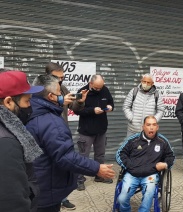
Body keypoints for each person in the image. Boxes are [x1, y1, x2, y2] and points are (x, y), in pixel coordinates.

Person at [25, 75, 115, 212]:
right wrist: (97, 168)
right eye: (59, 92)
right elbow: (66, 157)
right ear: (50, 96)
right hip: (46, 189)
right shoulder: (50, 122)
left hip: (36, 183)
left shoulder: (29, 110)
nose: (62, 94)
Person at [45, 62, 88, 210]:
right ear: (48, 76)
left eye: (62, 77)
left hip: (62, 132)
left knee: (63, 167)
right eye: (57, 78)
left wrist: (80, 102)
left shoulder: (62, 88)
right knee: (49, 168)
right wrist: (59, 102)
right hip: (46, 133)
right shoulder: (40, 89)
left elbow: (73, 108)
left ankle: (63, 198)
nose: (61, 80)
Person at [0, 70, 44, 212]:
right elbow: (12, 202)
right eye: (27, 101)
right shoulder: (6, 142)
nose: (30, 106)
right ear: (8, 102)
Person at [115, 115, 175, 212]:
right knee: (122, 199)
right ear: (143, 127)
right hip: (132, 174)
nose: (151, 127)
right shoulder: (133, 140)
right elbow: (120, 154)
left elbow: (171, 156)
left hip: (150, 175)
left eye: (154, 125)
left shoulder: (162, 141)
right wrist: (130, 166)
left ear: (157, 127)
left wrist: (165, 164)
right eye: (148, 125)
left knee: (148, 195)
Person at [74, 74, 115, 190]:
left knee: (100, 155)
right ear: (90, 84)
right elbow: (77, 111)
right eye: (96, 88)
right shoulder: (82, 92)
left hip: (101, 130)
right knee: (83, 157)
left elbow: (111, 103)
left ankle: (99, 176)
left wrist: (110, 107)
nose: (99, 90)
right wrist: (92, 111)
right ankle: (79, 180)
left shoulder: (104, 90)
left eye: (100, 87)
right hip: (86, 131)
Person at [123, 74, 164, 138]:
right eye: (144, 82)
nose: (146, 84)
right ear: (141, 81)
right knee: (130, 147)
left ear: (152, 83)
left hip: (148, 131)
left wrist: (153, 121)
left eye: (148, 82)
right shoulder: (134, 91)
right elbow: (126, 106)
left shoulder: (156, 94)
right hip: (133, 130)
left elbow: (161, 110)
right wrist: (131, 118)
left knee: (147, 147)